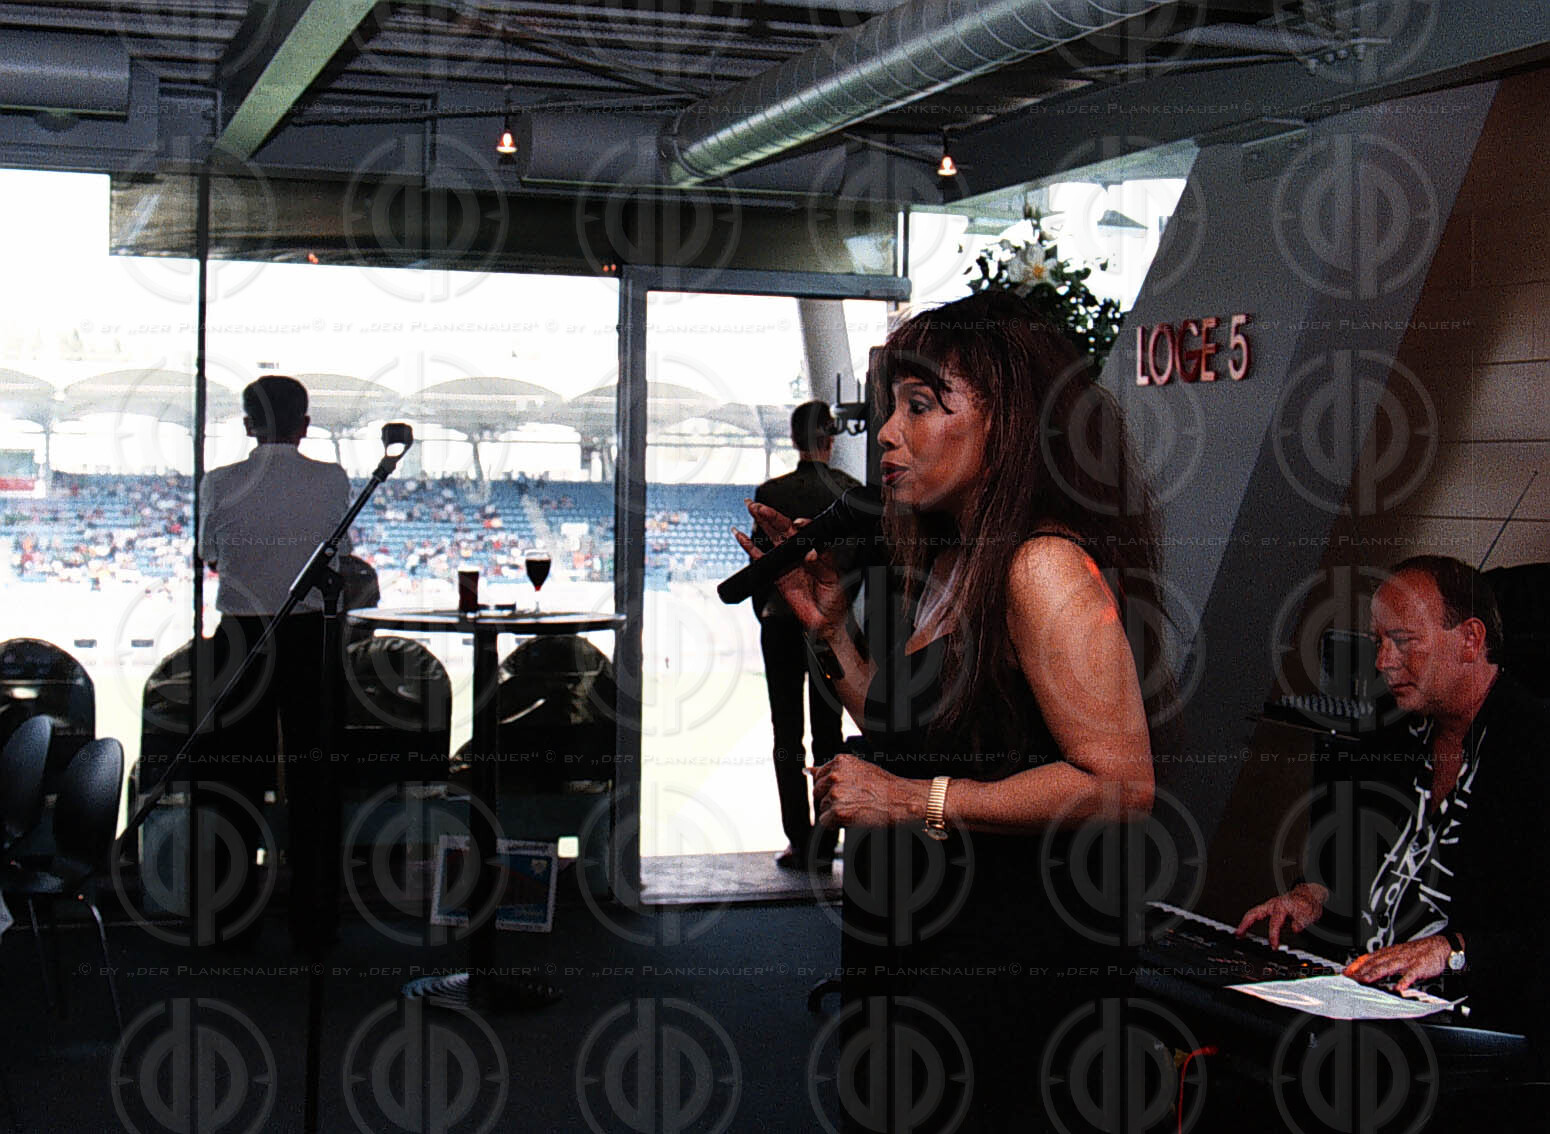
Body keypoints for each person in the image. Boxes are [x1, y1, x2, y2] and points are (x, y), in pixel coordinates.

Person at [736, 291, 1164, 1130]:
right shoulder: (955, 562)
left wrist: (909, 801)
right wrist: (831, 633)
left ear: (1008, 424)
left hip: (1003, 970)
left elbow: (1120, 784)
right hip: (918, 946)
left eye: (922, 405)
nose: (888, 434)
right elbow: (916, 732)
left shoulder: (1041, 566)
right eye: (892, 406)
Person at [1236, 556, 1550, 1038]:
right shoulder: (1390, 732)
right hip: (1359, 998)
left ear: (1470, 639)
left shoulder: (1534, 749)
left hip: (1468, 1024)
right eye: (1379, 642)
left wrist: (1453, 949)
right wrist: (1312, 894)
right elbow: (1350, 863)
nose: (1383, 661)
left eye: (1403, 641)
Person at [197, 375, 353, 952]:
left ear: (247, 425)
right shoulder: (332, 479)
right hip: (309, 636)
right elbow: (338, 556)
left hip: (241, 637)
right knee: (317, 783)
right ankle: (316, 925)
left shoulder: (220, 481)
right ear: (304, 426)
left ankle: (228, 923)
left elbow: (210, 555)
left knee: (233, 782)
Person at [749, 400, 861, 872]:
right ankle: (827, 839)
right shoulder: (849, 491)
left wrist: (768, 611)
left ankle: (799, 838)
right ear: (830, 439)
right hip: (832, 629)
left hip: (780, 624)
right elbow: (860, 565)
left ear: (795, 440)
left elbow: (758, 565)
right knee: (829, 734)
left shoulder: (771, 492)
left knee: (786, 734)